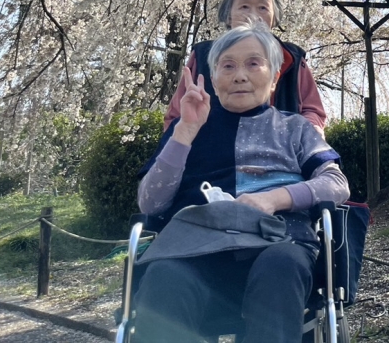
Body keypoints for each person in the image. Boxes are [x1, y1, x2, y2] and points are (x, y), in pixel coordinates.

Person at [134, 21, 349, 343]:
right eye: (228, 66)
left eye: (253, 63)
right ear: (213, 77)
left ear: (275, 77)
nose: (240, 75)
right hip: (195, 247)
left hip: (278, 241)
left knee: (282, 264)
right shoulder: (187, 127)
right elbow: (150, 203)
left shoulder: (294, 128)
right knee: (164, 275)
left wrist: (273, 199)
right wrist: (185, 131)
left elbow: (336, 183)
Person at [164, 0, 327, 132]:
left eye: (263, 8)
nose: (253, 15)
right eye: (244, 7)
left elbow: (313, 111)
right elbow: (176, 116)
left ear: (274, 17)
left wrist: (307, 134)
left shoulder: (292, 59)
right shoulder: (203, 55)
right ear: (228, 15)